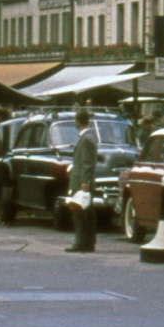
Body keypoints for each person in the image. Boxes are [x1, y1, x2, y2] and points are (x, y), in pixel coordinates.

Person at [65, 107, 98, 253]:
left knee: (79, 214)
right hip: (82, 181)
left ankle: (80, 243)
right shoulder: (89, 137)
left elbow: (87, 163)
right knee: (86, 213)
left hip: (81, 182)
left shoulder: (85, 139)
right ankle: (88, 243)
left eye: (75, 120)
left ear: (78, 121)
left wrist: (84, 182)